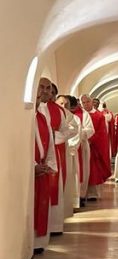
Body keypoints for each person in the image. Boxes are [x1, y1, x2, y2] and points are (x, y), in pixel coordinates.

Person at [38, 79, 77, 235]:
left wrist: (55, 136)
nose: (46, 92)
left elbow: (68, 130)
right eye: (42, 88)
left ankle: (54, 226)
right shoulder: (32, 107)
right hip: (36, 154)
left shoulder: (58, 110)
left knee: (54, 188)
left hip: (53, 153)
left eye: (49, 89)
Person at [33, 86, 57, 253]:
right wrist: (33, 165)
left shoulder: (42, 117)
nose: (43, 92)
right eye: (40, 88)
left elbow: (50, 143)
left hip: (41, 168)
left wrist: (48, 163)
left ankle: (37, 243)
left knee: (41, 205)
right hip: (29, 170)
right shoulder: (24, 117)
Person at [80, 94, 110, 200]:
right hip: (81, 144)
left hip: (93, 146)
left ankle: (92, 193)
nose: (86, 104)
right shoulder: (80, 114)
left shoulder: (99, 116)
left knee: (93, 170)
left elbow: (102, 132)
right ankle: (81, 193)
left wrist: (90, 140)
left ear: (92, 102)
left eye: (87, 102)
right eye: (83, 102)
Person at [70, 96, 95, 207]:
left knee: (82, 171)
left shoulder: (84, 114)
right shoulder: (63, 114)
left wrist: (78, 132)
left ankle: (81, 196)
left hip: (81, 146)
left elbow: (90, 130)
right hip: (67, 147)